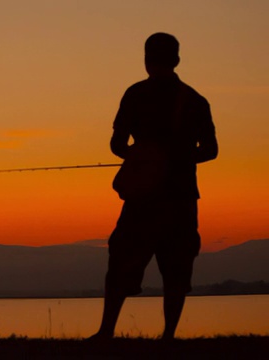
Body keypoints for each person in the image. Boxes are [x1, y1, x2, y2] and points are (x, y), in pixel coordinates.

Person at [90, 33, 218, 341]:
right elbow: (211, 150)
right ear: (176, 60)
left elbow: (116, 144)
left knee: (121, 261)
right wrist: (177, 158)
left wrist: (141, 157)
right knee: (176, 268)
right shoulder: (196, 100)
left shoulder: (135, 94)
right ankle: (168, 336)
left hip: (144, 200)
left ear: (147, 60)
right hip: (179, 197)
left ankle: (107, 332)